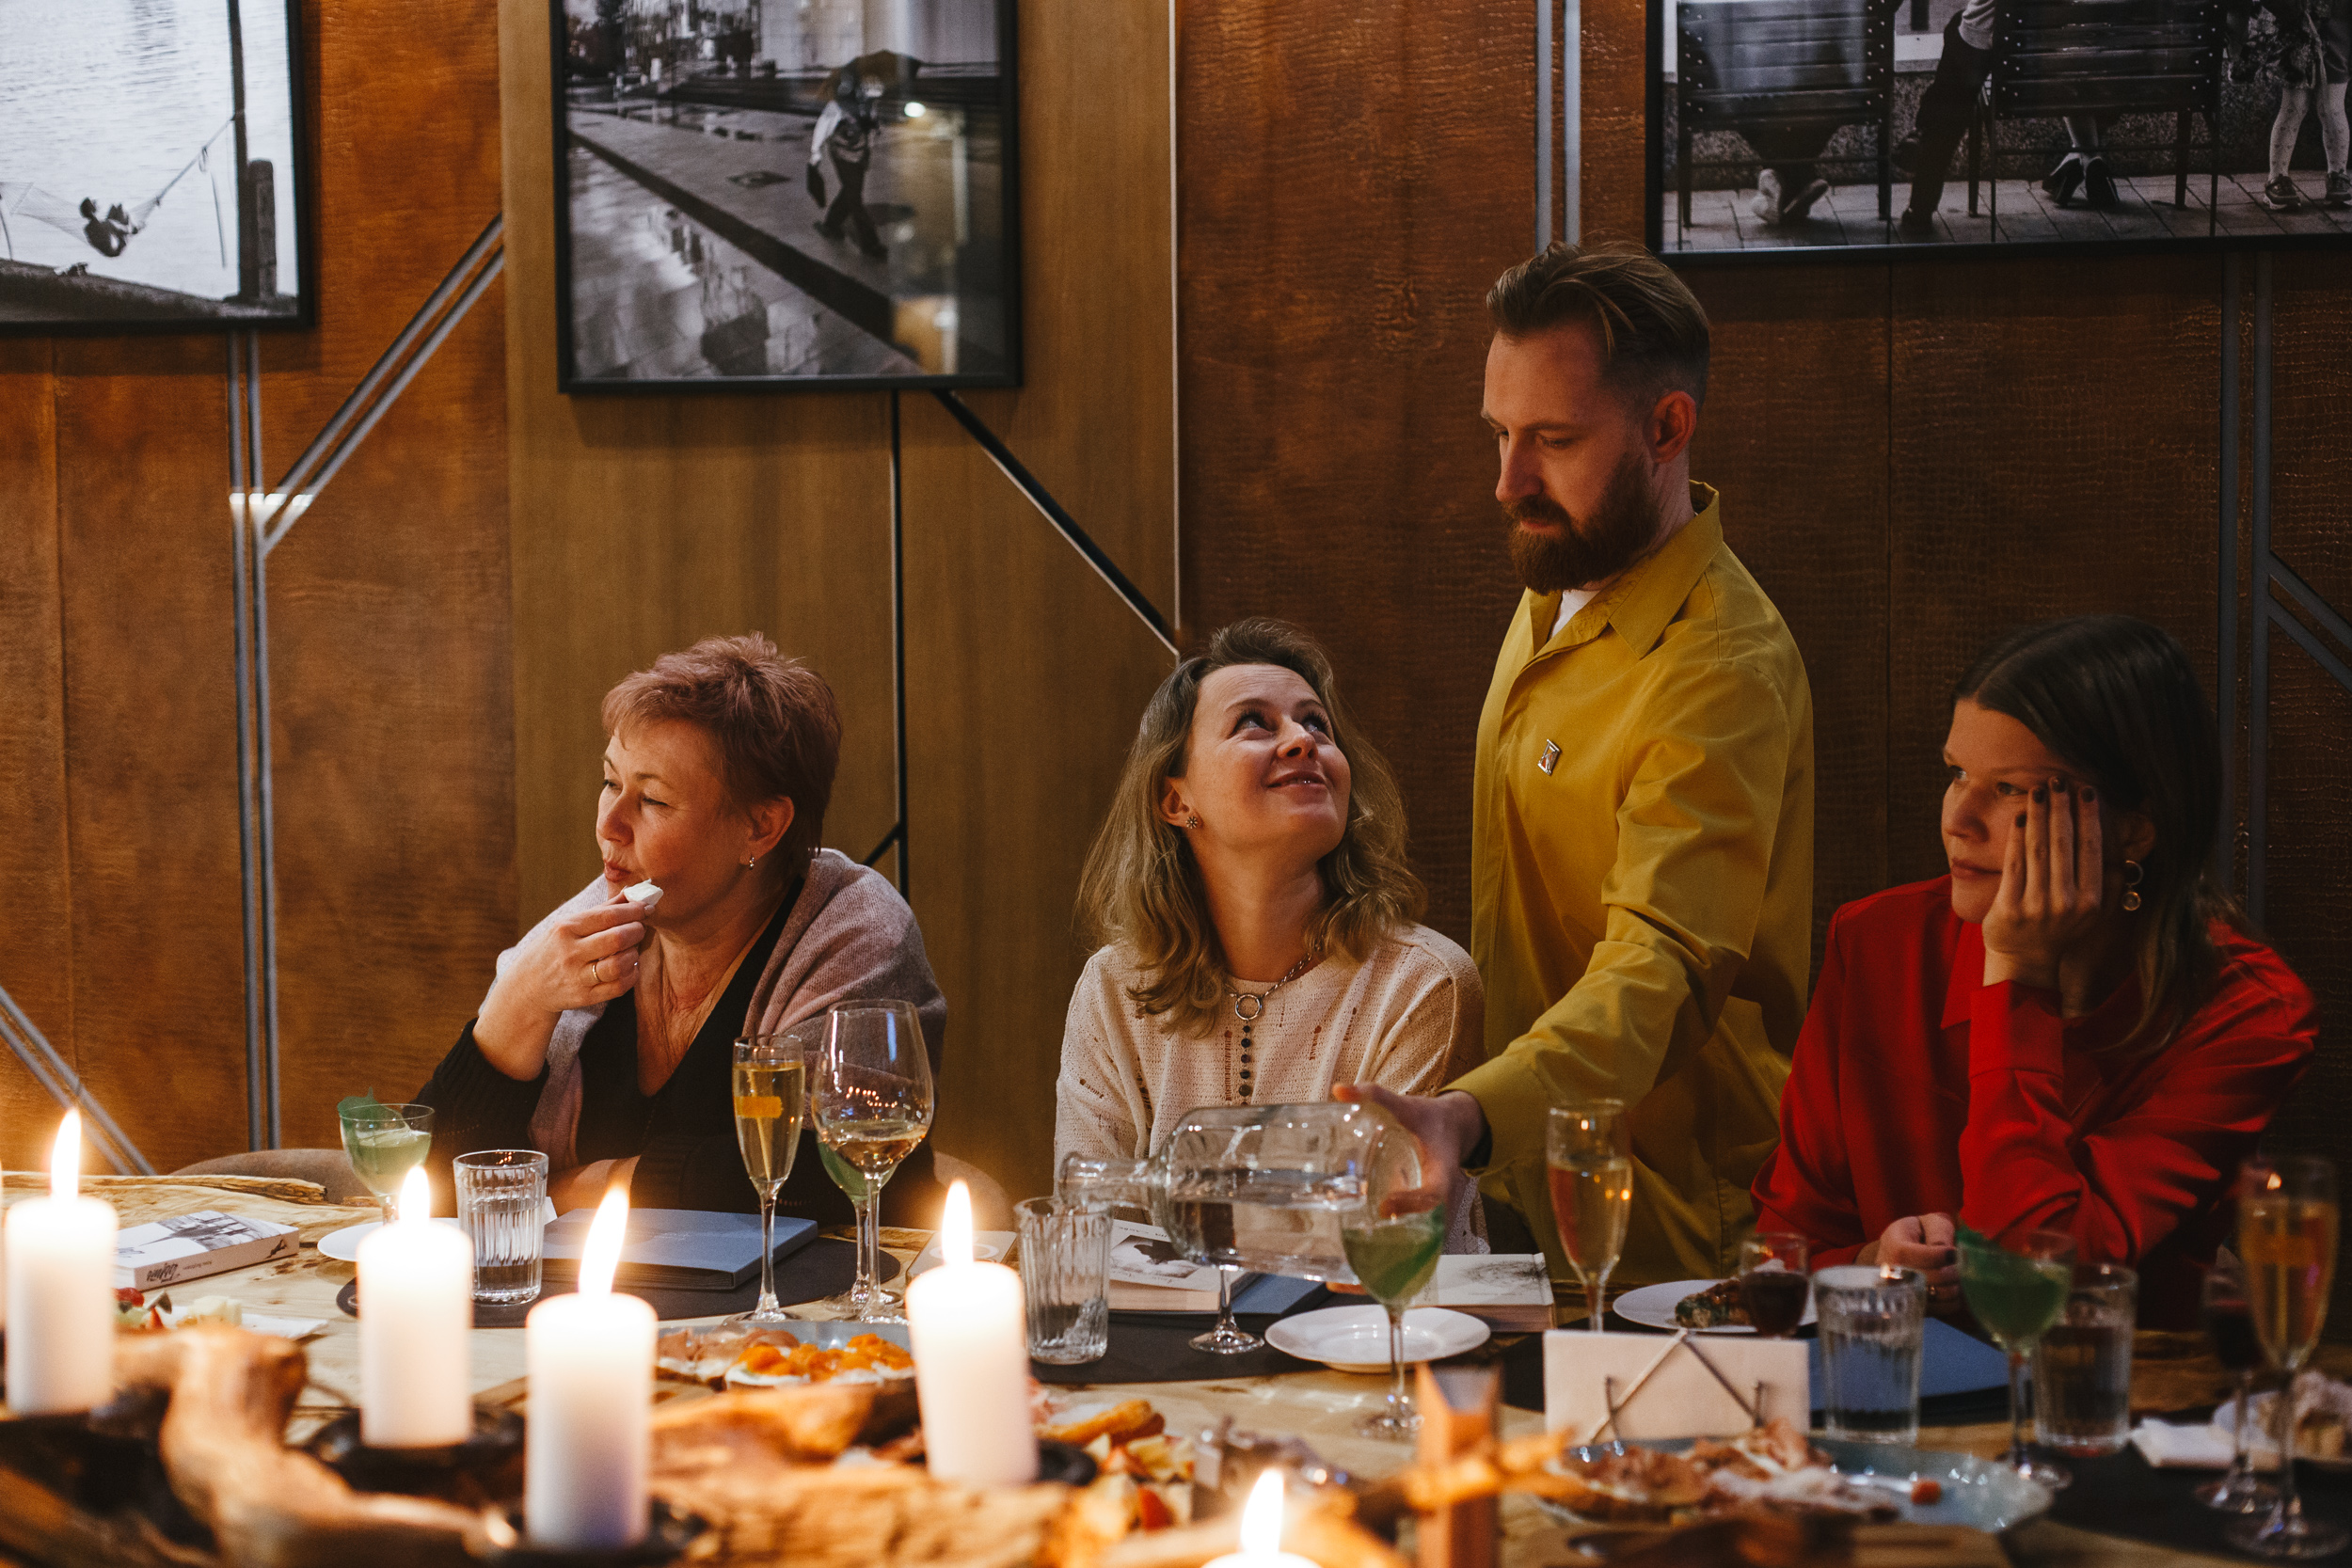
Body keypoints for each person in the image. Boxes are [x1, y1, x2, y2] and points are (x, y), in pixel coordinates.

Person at [1342, 242, 1815, 1287]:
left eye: (1552, 440)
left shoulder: (1719, 666)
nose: (1507, 481)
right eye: (1500, 432)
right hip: (1520, 1195)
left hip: (1664, 1239)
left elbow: (1656, 972)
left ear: (1667, 428)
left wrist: (1469, 1114)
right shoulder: (1564, 572)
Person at [1751, 616, 2315, 1328]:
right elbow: (1782, 1254)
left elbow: (2033, 1271)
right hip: (1891, 1376)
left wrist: (2017, 974)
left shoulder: (2250, 1010)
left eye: (2011, 789)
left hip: (2119, 1383)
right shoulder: (1876, 943)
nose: (1959, 818)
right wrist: (1875, 1264)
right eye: (1957, 774)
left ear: (2135, 827)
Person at [415, 633, 949, 1223]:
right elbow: (440, 1188)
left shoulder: (852, 932)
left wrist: (594, 1187)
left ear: (760, 827)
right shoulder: (592, 918)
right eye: (610, 783)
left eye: (653, 800)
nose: (609, 824)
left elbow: (825, 1168)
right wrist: (518, 1001)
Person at [1054, 619, 1486, 1244]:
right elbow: (1090, 1229)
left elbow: (1381, 1245)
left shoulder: (1423, 984)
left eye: (1317, 724)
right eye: (1254, 722)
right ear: (1176, 800)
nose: (1302, 741)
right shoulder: (1114, 988)